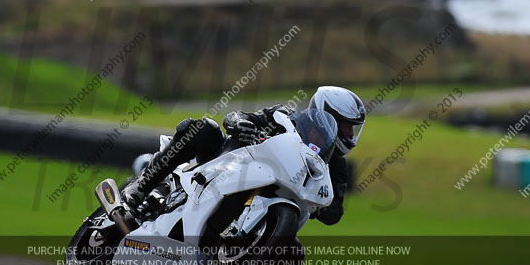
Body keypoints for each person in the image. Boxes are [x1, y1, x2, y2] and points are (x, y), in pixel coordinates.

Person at [123, 86, 366, 225]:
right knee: (203, 128)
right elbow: (239, 115)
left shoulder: (335, 164)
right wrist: (240, 123)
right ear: (326, 114)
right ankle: (141, 186)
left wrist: (318, 206)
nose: (349, 133)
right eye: (346, 125)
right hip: (223, 166)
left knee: (292, 254)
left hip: (273, 199)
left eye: (352, 127)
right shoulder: (284, 116)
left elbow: (335, 211)